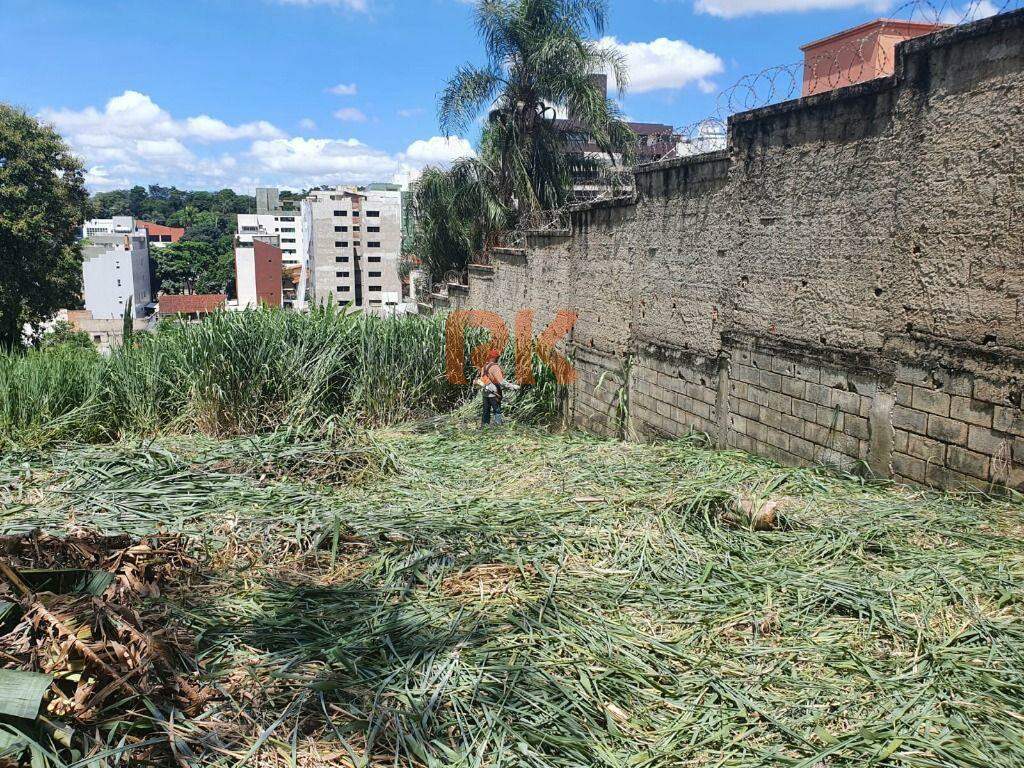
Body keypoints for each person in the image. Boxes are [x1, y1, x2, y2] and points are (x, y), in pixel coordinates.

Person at [477, 350, 519, 426]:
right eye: (497, 357)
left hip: (485, 391)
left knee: (486, 410)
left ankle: (484, 426)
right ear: (495, 358)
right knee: (497, 411)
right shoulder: (495, 367)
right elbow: (501, 382)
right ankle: (497, 427)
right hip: (494, 393)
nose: (498, 359)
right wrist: (513, 386)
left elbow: (482, 379)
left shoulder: (484, 367)